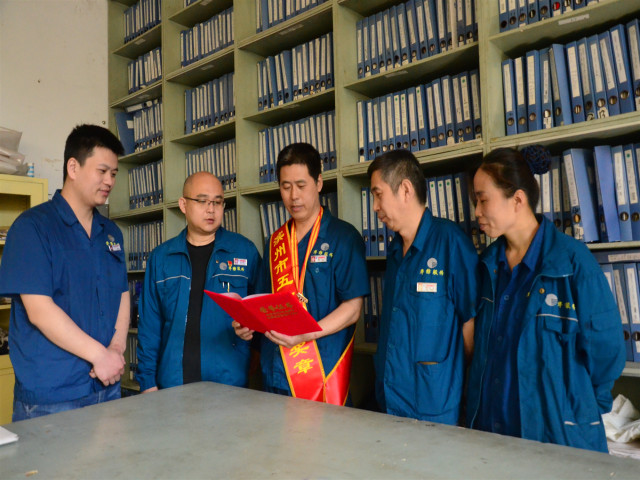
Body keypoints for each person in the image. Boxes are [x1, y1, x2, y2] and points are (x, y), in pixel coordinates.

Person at [466, 146, 626, 452]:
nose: (476, 212)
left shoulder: (573, 262)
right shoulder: (487, 265)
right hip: (491, 434)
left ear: (518, 199)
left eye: (483, 200)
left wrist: (578, 409)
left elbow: (606, 351)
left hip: (557, 437)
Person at [0, 124, 129, 421]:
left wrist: (116, 349)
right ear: (73, 167)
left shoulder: (111, 232)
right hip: (53, 395)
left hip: (106, 383)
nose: (109, 181)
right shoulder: (33, 228)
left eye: (114, 173)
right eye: (102, 171)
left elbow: (122, 292)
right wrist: (100, 355)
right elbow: (39, 311)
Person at [234, 143, 369, 405]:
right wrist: (246, 324)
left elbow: (353, 309)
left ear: (318, 183)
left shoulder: (343, 237)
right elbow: (263, 303)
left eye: (301, 185)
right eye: (286, 187)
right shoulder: (275, 242)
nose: (293, 196)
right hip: (275, 373)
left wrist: (307, 334)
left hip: (322, 377)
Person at [367, 150, 478, 424]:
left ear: (405, 190)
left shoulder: (451, 243)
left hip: (434, 404)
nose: (375, 207)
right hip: (390, 399)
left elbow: (471, 325)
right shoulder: (395, 250)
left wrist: (446, 375)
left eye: (378, 194)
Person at [136, 172, 261, 392]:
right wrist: (148, 383)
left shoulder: (244, 251)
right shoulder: (162, 258)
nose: (211, 209)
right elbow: (149, 327)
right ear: (183, 205)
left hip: (229, 385)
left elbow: (263, 314)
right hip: (173, 385)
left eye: (218, 202)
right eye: (202, 201)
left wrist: (250, 329)